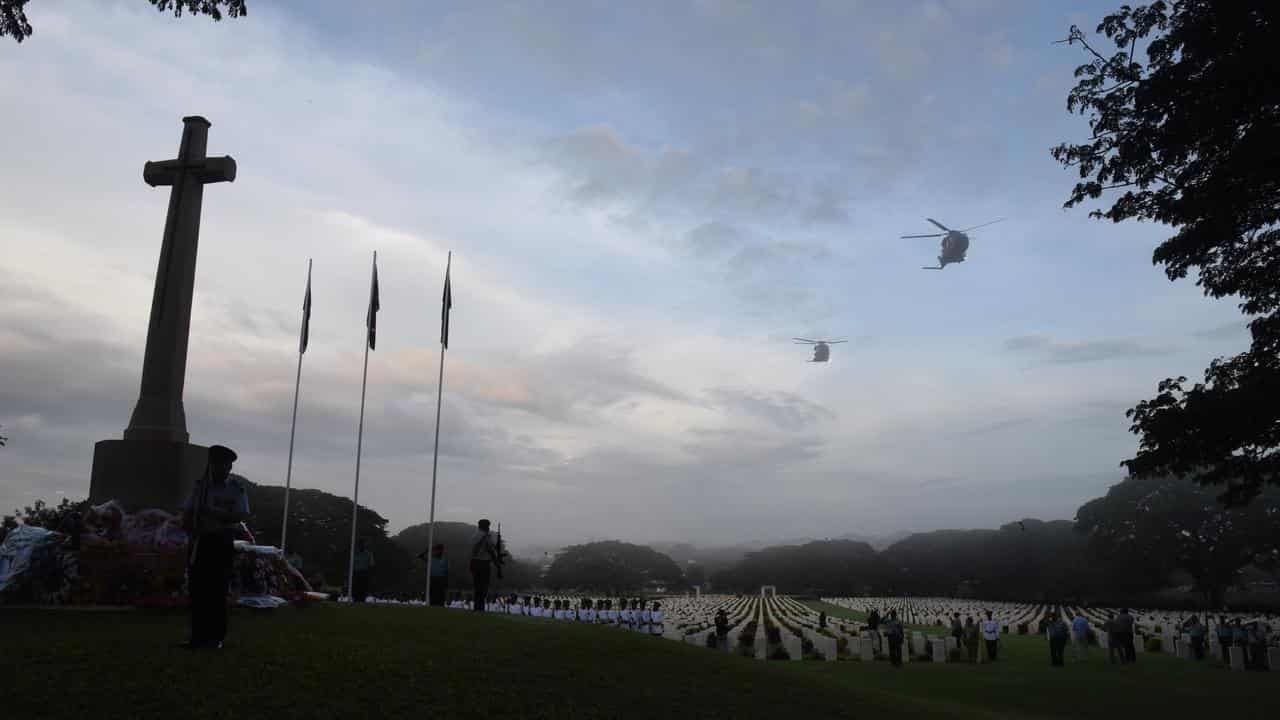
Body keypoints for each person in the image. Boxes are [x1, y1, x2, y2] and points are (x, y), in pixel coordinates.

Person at [181, 445, 249, 650]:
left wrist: (212, 512)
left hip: (221, 541)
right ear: (212, 465)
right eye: (219, 466)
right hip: (200, 541)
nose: (224, 470)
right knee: (198, 589)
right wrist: (189, 529)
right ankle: (197, 636)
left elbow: (240, 514)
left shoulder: (236, 489)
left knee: (217, 590)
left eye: (227, 467)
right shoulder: (200, 487)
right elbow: (188, 510)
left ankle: (215, 637)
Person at [468, 519, 500, 612]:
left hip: (475, 562)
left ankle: (477, 607)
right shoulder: (486, 536)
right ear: (485, 526)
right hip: (483, 563)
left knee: (477, 586)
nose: (489, 527)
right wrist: (496, 563)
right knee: (483, 587)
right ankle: (480, 608)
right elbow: (491, 549)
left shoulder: (475, 535)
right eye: (488, 526)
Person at [351, 538, 374, 602]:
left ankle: (362, 599)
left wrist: (369, 575)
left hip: (364, 573)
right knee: (355, 588)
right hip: (356, 573)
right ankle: (355, 599)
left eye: (363, 545)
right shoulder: (354, 553)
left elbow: (371, 565)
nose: (361, 546)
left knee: (363, 588)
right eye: (360, 545)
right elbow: (351, 564)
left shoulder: (369, 554)